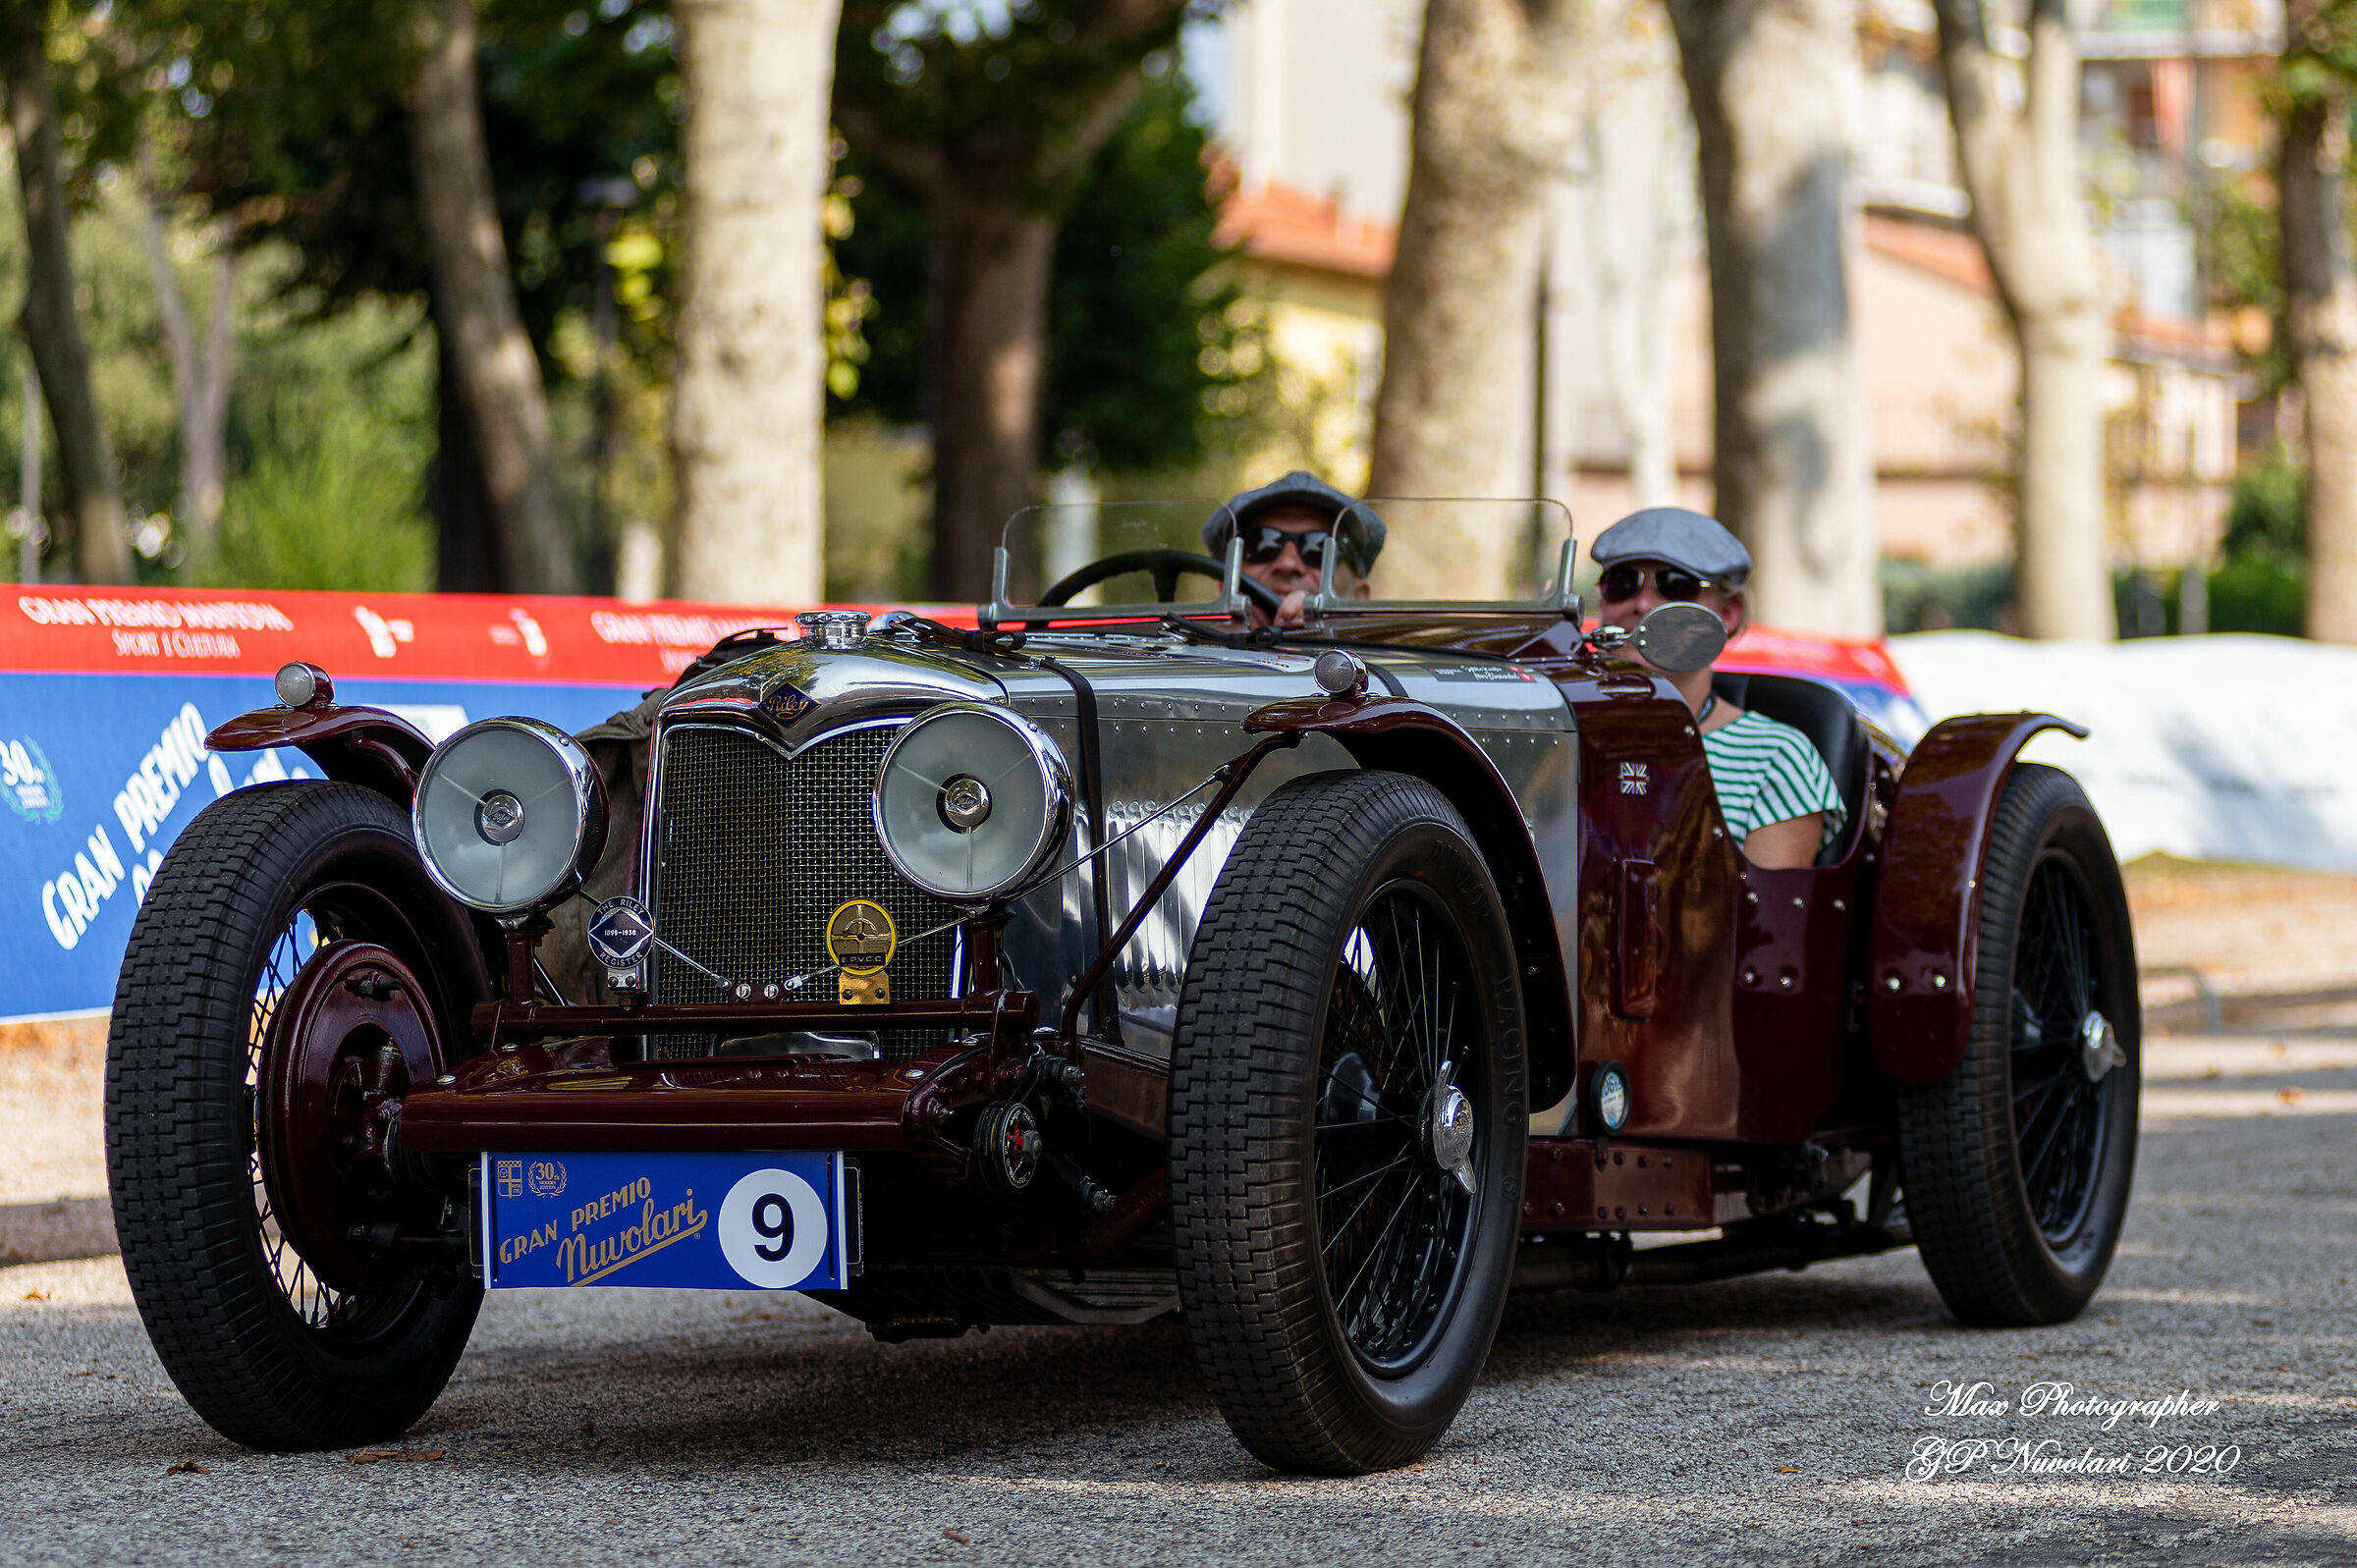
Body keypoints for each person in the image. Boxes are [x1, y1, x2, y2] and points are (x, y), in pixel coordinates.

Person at [1590, 507, 1844, 870]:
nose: (1642, 604)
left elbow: (1763, 921)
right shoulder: (1562, 733)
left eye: (1675, 585)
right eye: (1622, 583)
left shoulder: (1776, 758)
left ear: (1728, 614)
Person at [1203, 470, 1382, 628]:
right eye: (1261, 544)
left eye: (1318, 549)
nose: (1287, 563)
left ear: (1359, 598)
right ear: (1225, 586)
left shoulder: (1399, 665)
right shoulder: (1184, 660)